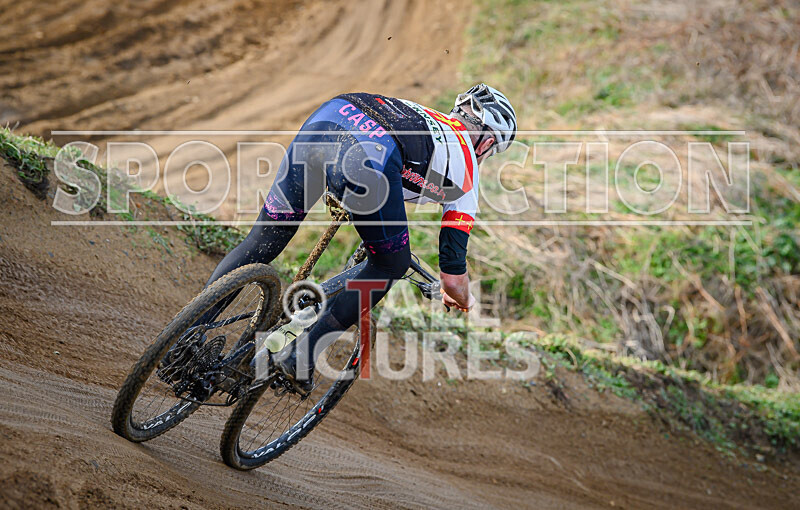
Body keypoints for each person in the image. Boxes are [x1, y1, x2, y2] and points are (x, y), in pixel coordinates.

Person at [205, 83, 517, 392]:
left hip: (330, 116)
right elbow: (453, 276)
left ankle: (187, 336)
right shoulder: (468, 174)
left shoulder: (426, 116)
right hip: (368, 156)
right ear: (487, 142)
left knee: (263, 240)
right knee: (391, 265)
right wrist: (463, 298)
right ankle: (303, 354)